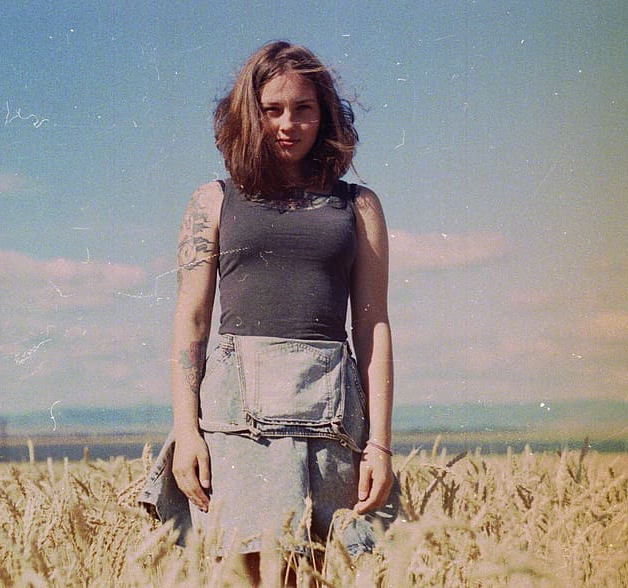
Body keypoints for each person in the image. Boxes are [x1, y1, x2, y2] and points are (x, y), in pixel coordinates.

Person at [141, 40, 397, 584]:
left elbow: (373, 326)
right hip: (236, 420)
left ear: (325, 115)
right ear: (247, 114)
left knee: (316, 571)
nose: (288, 124)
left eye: (303, 108)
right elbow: (191, 323)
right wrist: (187, 433)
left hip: (330, 417)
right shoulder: (212, 201)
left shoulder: (359, 205)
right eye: (271, 109)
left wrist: (379, 445)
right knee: (244, 570)